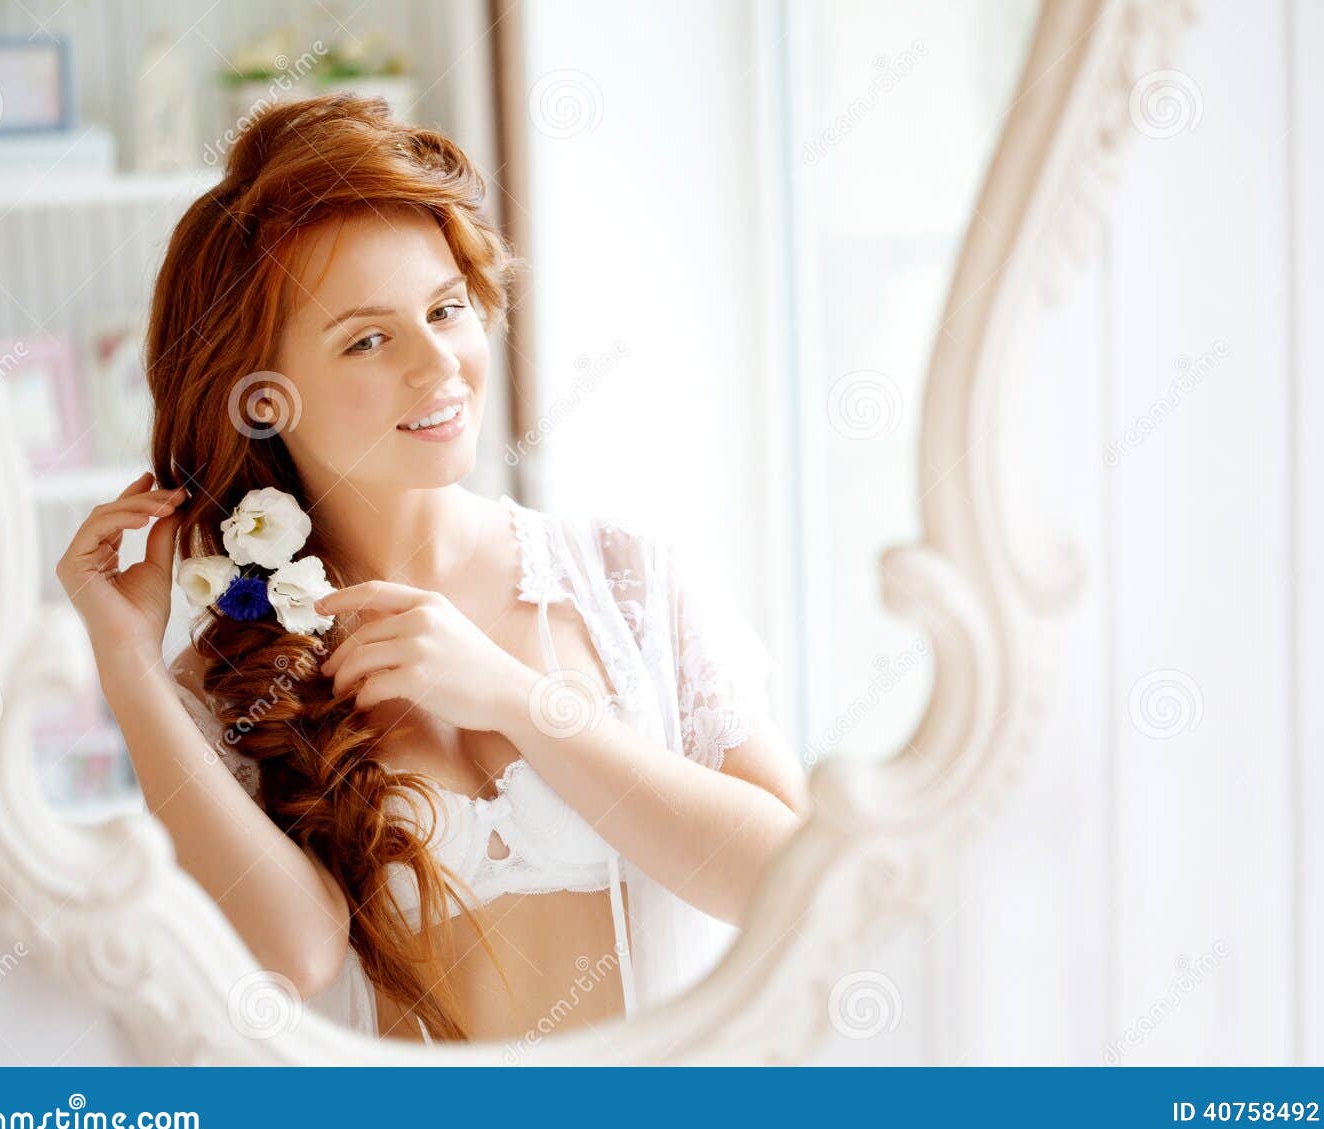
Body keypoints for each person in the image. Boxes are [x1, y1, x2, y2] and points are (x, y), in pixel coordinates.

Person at [54, 94, 808, 1044]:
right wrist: (123, 656)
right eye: (368, 337)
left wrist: (520, 700)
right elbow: (291, 958)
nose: (438, 364)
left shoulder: (622, 578)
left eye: (446, 308)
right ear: (260, 397)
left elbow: (796, 880)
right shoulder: (235, 674)